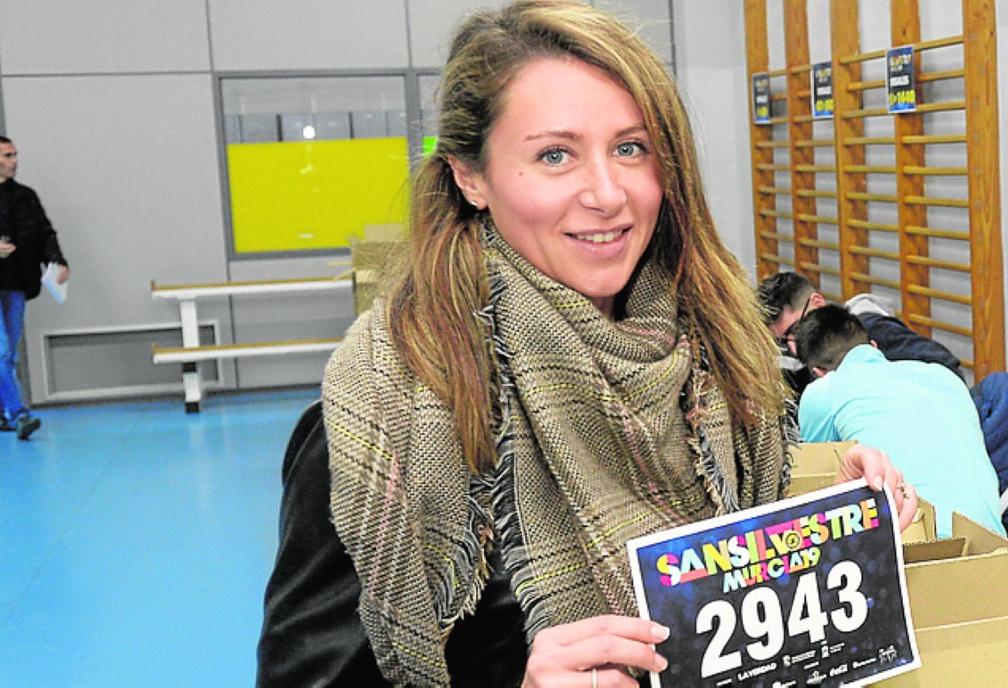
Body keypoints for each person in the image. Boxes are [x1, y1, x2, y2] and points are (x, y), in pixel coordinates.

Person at [256, 3, 917, 686]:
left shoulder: (718, 359)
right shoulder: (391, 415)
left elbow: (723, 593)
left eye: (630, 148)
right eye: (554, 155)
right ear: (469, 176)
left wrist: (828, 516)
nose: (607, 194)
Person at [793, 303, 1002, 539]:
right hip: (995, 541)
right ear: (873, 346)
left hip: (918, 543)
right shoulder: (942, 375)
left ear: (817, 372)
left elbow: (817, 481)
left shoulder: (824, 390)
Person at [758, 271, 963, 385]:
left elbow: (947, 368)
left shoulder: (870, 329)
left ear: (817, 303)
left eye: (794, 329)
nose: (793, 349)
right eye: (783, 342)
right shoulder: (802, 356)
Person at [0, 135, 69, 441]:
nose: (14, 160)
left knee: (10, 354)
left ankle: (4, 412)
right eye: (7, 155)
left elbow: (44, 233)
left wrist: (57, 261)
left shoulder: (25, 196)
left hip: (16, 283)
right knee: (0, 352)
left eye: (15, 154)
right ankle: (19, 414)